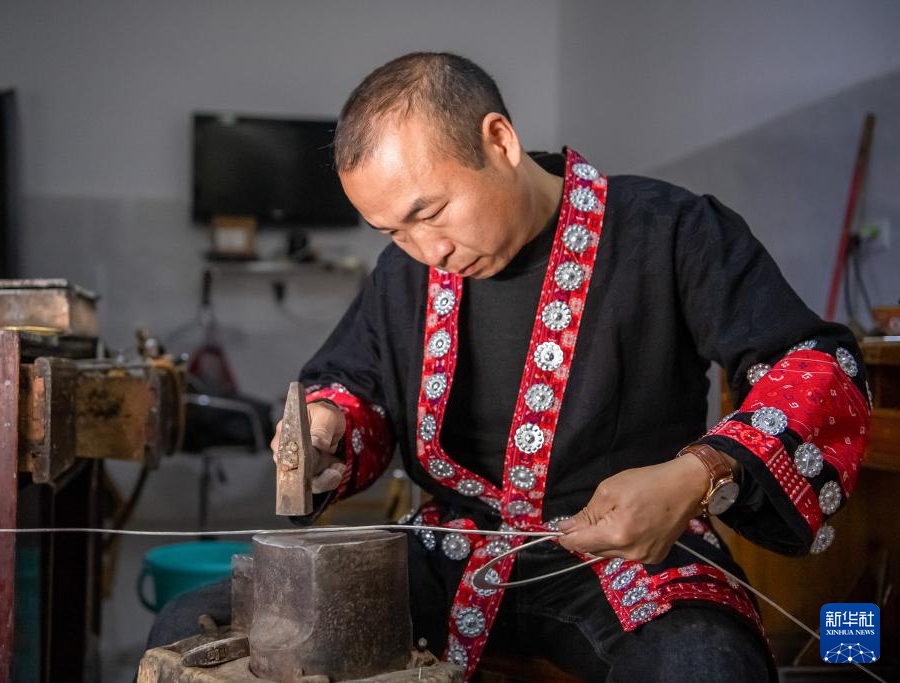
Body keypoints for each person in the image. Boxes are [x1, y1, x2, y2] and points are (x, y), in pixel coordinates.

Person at [149, 52, 870, 682]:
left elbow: (815, 364)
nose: (425, 250)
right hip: (444, 554)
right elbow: (356, 384)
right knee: (193, 624)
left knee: (701, 666)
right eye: (392, 230)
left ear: (499, 140)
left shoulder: (669, 229)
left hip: (627, 555)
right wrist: (328, 426)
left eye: (430, 212)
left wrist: (697, 473)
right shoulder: (404, 273)